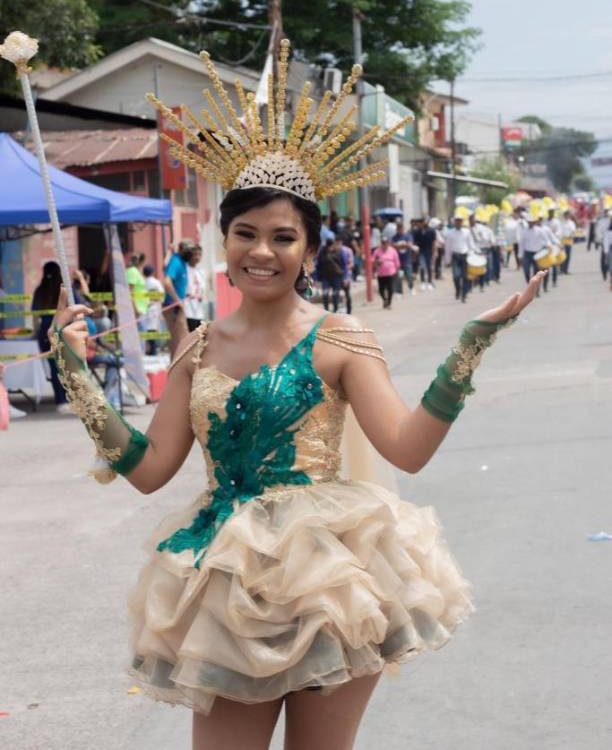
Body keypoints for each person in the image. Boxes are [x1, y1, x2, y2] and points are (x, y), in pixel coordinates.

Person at [49, 41, 545, 750]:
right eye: (246, 233)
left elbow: (407, 447)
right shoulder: (197, 347)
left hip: (331, 579)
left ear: (309, 250)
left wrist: (467, 349)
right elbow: (151, 470)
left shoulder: (341, 337)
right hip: (224, 581)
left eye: (284, 237)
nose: (262, 251)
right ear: (224, 240)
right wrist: (77, 376)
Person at [31, 261, 69, 413]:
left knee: (54, 367)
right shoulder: (64, 290)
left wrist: (36, 332)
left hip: (45, 333)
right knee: (66, 366)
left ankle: (60, 400)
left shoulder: (39, 290)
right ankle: (68, 398)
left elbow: (35, 316)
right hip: (63, 331)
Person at [163, 240, 194, 358]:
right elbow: (167, 282)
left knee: (179, 340)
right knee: (182, 340)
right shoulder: (176, 261)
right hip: (173, 308)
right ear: (181, 250)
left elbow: (164, 266)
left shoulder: (180, 261)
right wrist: (177, 300)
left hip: (177, 306)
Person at [444, 215, 475, 302]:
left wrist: (473, 254)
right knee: (456, 276)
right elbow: (448, 247)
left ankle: (464, 295)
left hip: (464, 256)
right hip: (455, 257)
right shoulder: (450, 233)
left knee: (465, 277)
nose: (458, 222)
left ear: (462, 222)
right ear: (454, 222)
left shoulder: (466, 232)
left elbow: (471, 244)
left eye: (460, 221)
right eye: (457, 221)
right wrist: (447, 260)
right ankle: (458, 290)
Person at [315, 238, 345, 312]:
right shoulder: (322, 252)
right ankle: (326, 310)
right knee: (325, 294)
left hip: (336, 276)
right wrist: (317, 278)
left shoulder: (338, 251)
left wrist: (345, 276)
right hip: (326, 277)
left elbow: (343, 264)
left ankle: (335, 309)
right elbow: (318, 265)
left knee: (335, 295)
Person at [518, 215, 548, 285]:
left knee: (536, 272)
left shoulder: (540, 230)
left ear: (534, 222)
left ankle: (536, 288)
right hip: (527, 253)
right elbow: (521, 244)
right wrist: (520, 255)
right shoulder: (524, 231)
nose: (530, 223)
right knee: (526, 270)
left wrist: (547, 248)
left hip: (537, 253)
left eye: (532, 222)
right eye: (529, 222)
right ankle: (529, 284)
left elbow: (546, 241)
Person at [372, 235, 400, 309]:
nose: (384, 244)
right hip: (381, 273)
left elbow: (396, 261)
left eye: (386, 243)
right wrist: (376, 262)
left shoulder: (392, 250)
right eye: (383, 243)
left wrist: (397, 270)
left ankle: (389, 303)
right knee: (381, 290)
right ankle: (385, 300)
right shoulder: (377, 251)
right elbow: (372, 260)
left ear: (388, 243)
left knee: (390, 288)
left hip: (390, 272)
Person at [392, 219, 419, 295]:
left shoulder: (408, 236)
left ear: (403, 228)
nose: (400, 230)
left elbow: (409, 244)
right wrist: (403, 245)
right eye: (398, 229)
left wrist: (400, 245)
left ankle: (411, 288)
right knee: (399, 277)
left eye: (401, 228)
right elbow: (393, 245)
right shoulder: (395, 237)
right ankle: (399, 291)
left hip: (407, 260)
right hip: (398, 261)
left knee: (408, 276)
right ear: (397, 229)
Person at [142, 265, 164, 355]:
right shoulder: (156, 282)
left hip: (145, 307)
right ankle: (153, 349)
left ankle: (151, 349)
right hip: (154, 306)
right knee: (152, 328)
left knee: (147, 328)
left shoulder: (143, 282)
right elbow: (161, 294)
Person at [184, 245, 207, 333]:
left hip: (198, 309)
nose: (197, 257)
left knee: (199, 335)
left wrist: (202, 295)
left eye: (199, 255)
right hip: (187, 308)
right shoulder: (185, 269)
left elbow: (202, 287)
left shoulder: (200, 271)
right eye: (195, 254)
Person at [412, 217, 436, 290]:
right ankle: (422, 282)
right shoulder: (417, 232)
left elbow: (433, 242)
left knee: (429, 267)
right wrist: (414, 252)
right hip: (420, 251)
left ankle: (429, 282)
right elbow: (414, 242)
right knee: (422, 267)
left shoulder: (431, 231)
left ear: (423, 223)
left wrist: (434, 252)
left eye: (420, 223)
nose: (419, 225)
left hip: (429, 251)